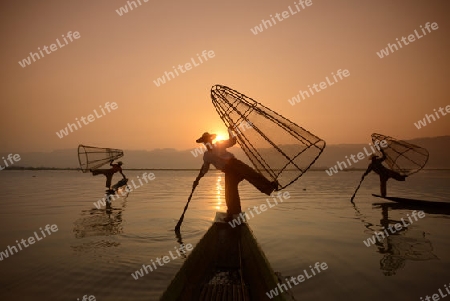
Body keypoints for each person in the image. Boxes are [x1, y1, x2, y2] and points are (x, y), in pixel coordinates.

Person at [194, 127, 279, 218]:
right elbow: (204, 169)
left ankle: (270, 186)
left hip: (235, 163)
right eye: (204, 141)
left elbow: (232, 141)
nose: (206, 142)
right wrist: (197, 179)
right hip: (228, 171)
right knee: (230, 191)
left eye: (207, 140)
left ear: (211, 140)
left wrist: (230, 131)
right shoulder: (206, 155)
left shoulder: (219, 144)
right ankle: (234, 213)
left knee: (251, 174)